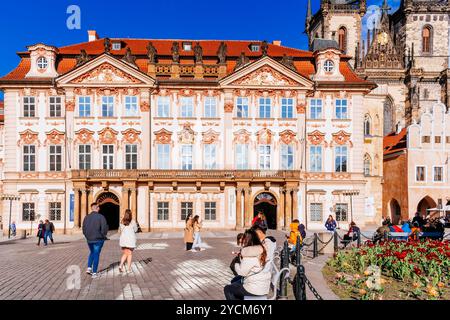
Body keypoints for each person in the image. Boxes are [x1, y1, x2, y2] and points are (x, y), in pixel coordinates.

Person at [224, 229, 271, 300]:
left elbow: (241, 272)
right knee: (235, 282)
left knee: (227, 289)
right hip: (264, 285)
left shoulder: (250, 253)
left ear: (246, 240)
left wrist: (236, 263)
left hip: (254, 288)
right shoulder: (261, 250)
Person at [82, 202, 108, 278]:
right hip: (98, 239)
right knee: (96, 254)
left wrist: (87, 236)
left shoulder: (86, 217)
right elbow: (104, 228)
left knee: (92, 252)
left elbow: (83, 228)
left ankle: (89, 268)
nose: (99, 208)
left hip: (89, 239)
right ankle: (94, 272)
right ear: (96, 208)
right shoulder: (101, 217)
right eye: (98, 207)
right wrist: (103, 236)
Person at [118, 209, 138, 273]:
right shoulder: (133, 222)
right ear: (130, 214)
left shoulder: (121, 222)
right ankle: (128, 269)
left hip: (123, 240)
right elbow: (135, 230)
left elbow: (120, 230)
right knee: (129, 254)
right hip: (130, 241)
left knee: (125, 253)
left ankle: (120, 266)